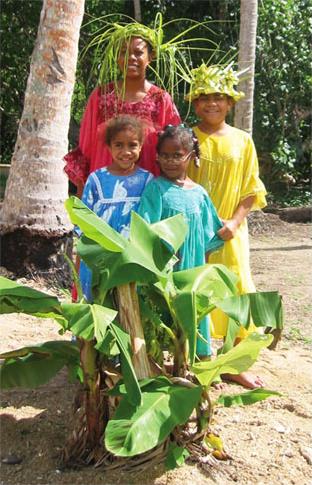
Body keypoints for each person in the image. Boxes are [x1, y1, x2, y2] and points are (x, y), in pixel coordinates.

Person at [186, 63, 267, 388]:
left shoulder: (243, 141)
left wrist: (233, 222)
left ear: (230, 103)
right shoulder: (187, 137)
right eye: (204, 97)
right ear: (194, 103)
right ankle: (201, 362)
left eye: (219, 97)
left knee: (238, 293)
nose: (211, 103)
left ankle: (233, 363)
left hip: (232, 232)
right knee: (197, 293)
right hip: (195, 231)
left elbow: (251, 187)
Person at [64, 17, 184, 196]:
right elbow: (86, 147)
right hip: (104, 190)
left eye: (138, 52)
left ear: (151, 57)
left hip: (149, 192)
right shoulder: (100, 96)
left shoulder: (161, 99)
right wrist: (84, 193)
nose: (131, 58)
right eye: (123, 52)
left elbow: (175, 146)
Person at [138, 124, 224, 359]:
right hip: (165, 268)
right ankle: (156, 361)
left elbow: (210, 236)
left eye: (177, 155)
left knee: (193, 308)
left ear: (191, 156)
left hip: (193, 268)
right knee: (161, 312)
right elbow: (145, 228)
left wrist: (203, 272)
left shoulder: (199, 194)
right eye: (165, 156)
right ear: (157, 157)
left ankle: (197, 359)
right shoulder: (156, 189)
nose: (170, 161)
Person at [78, 115, 153, 302]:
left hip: (132, 258)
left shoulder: (147, 180)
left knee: (130, 309)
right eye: (119, 145)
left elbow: (151, 222)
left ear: (141, 146)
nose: (125, 151)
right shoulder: (96, 179)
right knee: (99, 303)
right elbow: (84, 224)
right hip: (100, 258)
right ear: (109, 146)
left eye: (132, 145)